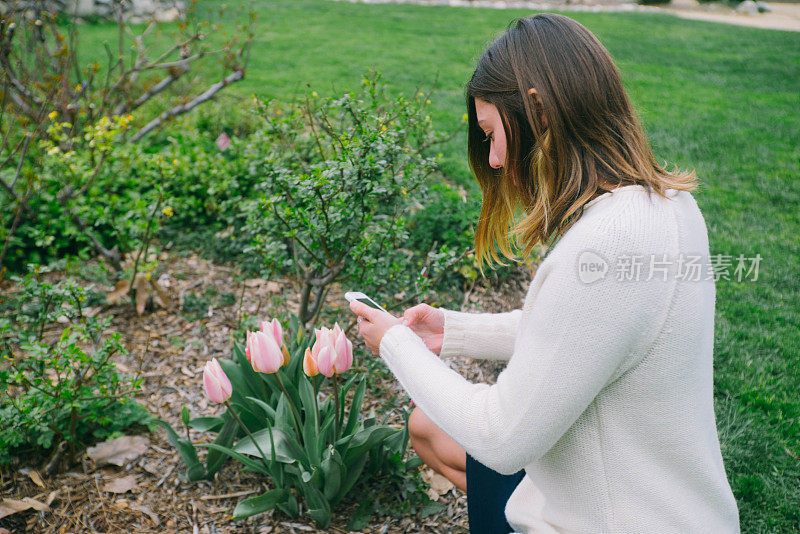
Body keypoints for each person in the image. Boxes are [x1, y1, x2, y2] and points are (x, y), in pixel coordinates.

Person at [348, 13, 740, 533]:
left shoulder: (603, 246)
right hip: (685, 512)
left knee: (453, 438)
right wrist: (455, 332)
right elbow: (589, 328)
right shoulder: (669, 207)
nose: (491, 159)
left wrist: (399, 347)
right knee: (431, 430)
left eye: (492, 133)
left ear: (539, 112)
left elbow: (502, 438)